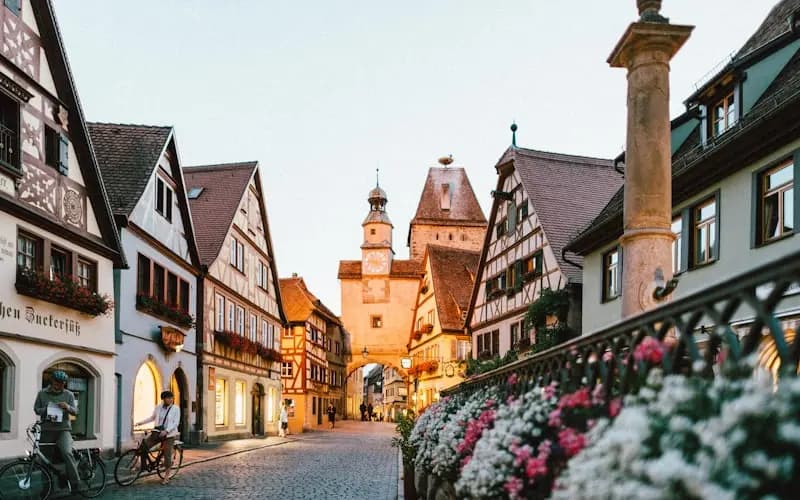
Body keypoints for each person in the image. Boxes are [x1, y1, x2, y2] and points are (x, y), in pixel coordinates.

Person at [34, 370, 80, 492]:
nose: (59, 385)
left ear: (64, 383)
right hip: (47, 430)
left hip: (63, 430)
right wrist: (47, 409)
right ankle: (47, 488)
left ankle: (75, 483)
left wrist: (67, 407)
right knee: (44, 459)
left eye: (61, 383)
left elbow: (76, 412)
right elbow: (36, 409)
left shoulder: (69, 395)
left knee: (67, 452)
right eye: (56, 382)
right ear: (52, 381)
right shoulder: (42, 393)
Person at [135, 390, 180, 485]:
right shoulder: (159, 407)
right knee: (143, 446)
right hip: (157, 433)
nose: (170, 399)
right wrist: (140, 423)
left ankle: (166, 477)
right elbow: (152, 417)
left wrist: (166, 431)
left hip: (169, 435)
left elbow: (176, 423)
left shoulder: (176, 409)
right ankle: (144, 466)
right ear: (163, 399)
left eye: (171, 398)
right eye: (168, 398)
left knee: (167, 455)